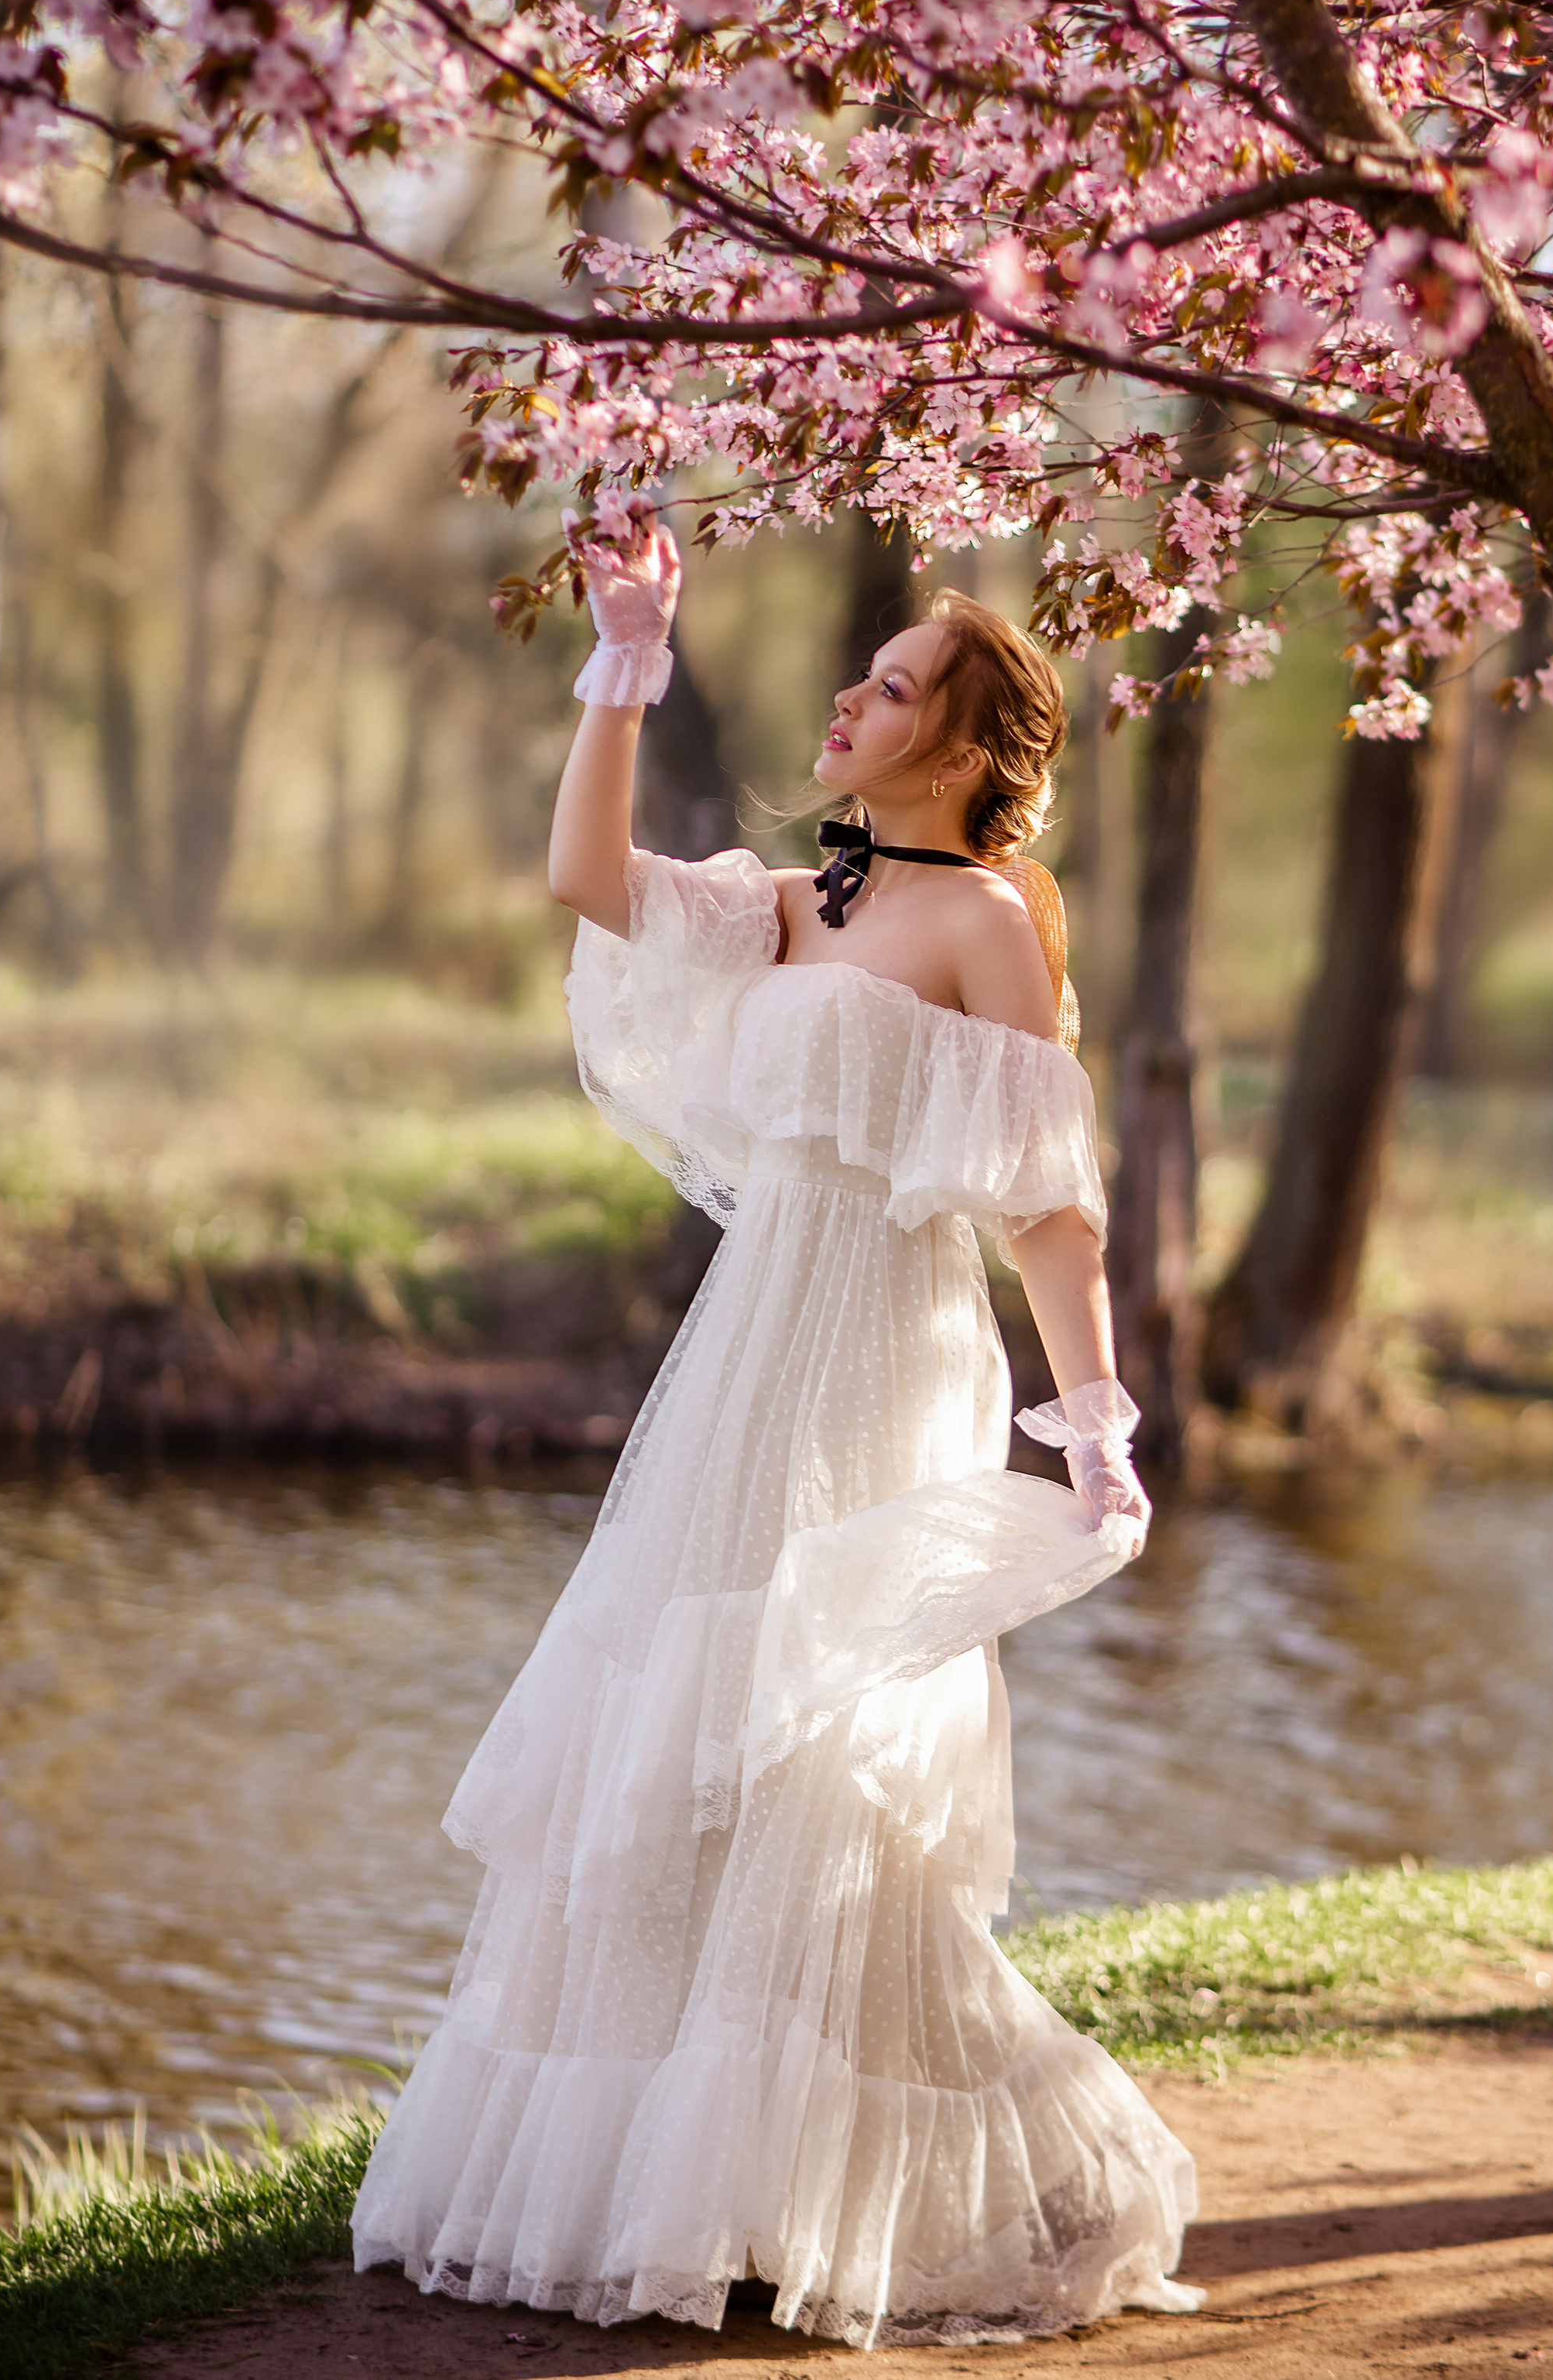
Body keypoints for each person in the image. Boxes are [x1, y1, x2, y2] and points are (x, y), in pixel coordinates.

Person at [351, 516, 1201, 2347]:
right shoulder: (790, 904)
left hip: (886, 1360)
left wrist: (1094, 1423)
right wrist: (624, 663)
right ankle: (699, 2186)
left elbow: (1046, 1206)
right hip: (744, 1365)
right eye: (863, 673)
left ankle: (902, 2183)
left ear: (967, 753)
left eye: (890, 686)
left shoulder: (982, 925)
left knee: (823, 1754)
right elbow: (584, 877)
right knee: (676, 1745)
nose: (848, 694)